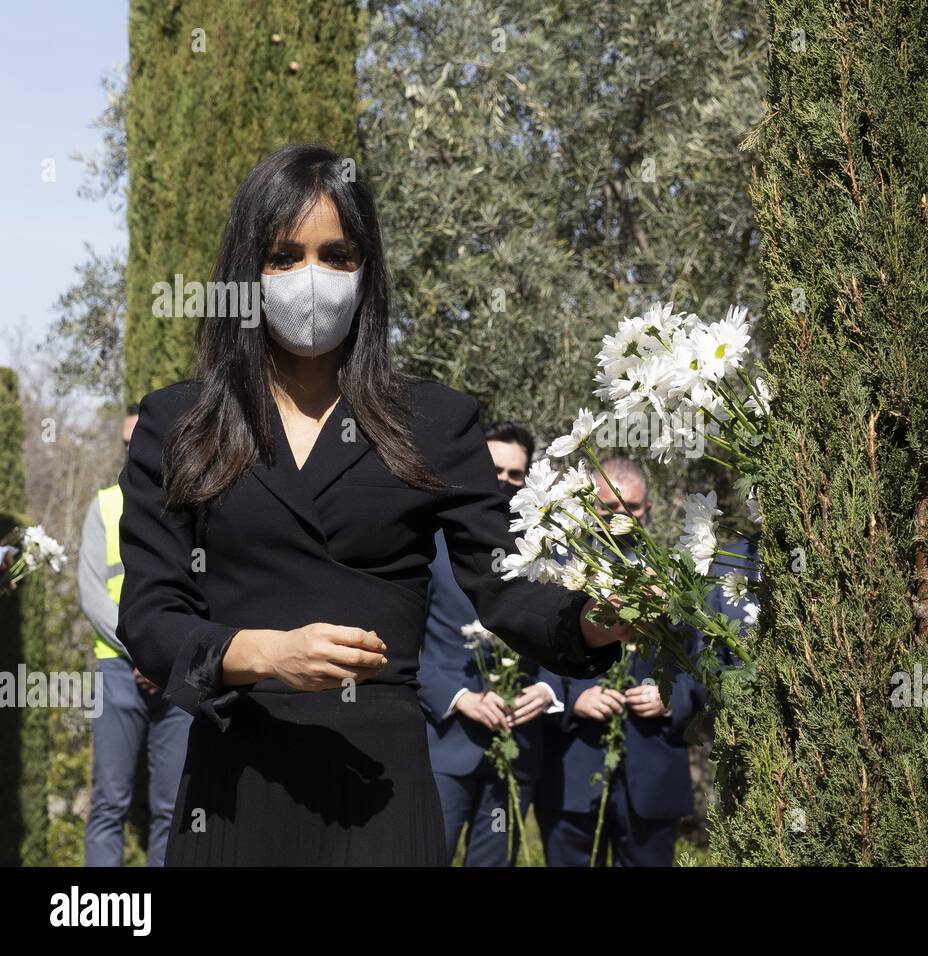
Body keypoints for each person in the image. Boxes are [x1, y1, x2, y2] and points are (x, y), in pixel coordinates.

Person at [116, 144, 631, 866]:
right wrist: (267, 653)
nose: (311, 280)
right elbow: (148, 617)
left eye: (337, 254)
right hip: (233, 791)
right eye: (284, 256)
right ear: (245, 270)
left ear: (368, 268)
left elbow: (506, 588)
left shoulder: (434, 421)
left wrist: (597, 619)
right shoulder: (182, 424)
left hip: (381, 792)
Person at [534, 458, 705, 866]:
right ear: (590, 505)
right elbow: (531, 647)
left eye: (630, 508)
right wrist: (572, 696)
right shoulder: (560, 571)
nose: (617, 518)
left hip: (652, 770)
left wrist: (671, 699)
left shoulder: (675, 575)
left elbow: (700, 666)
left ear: (646, 509)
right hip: (573, 766)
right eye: (607, 508)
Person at [419, 420, 561, 865]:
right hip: (444, 742)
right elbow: (401, 641)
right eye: (493, 469)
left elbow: (563, 633)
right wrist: (458, 697)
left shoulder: (547, 553)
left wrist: (547, 689)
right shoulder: (430, 544)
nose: (503, 481)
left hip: (516, 748)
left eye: (515, 475)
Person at [81, 405, 193, 867]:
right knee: (110, 802)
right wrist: (147, 650)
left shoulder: (188, 507)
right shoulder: (104, 506)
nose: (134, 452)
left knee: (174, 807)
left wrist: (164, 658)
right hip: (117, 671)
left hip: (173, 677)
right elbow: (91, 595)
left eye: (140, 442)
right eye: (126, 445)